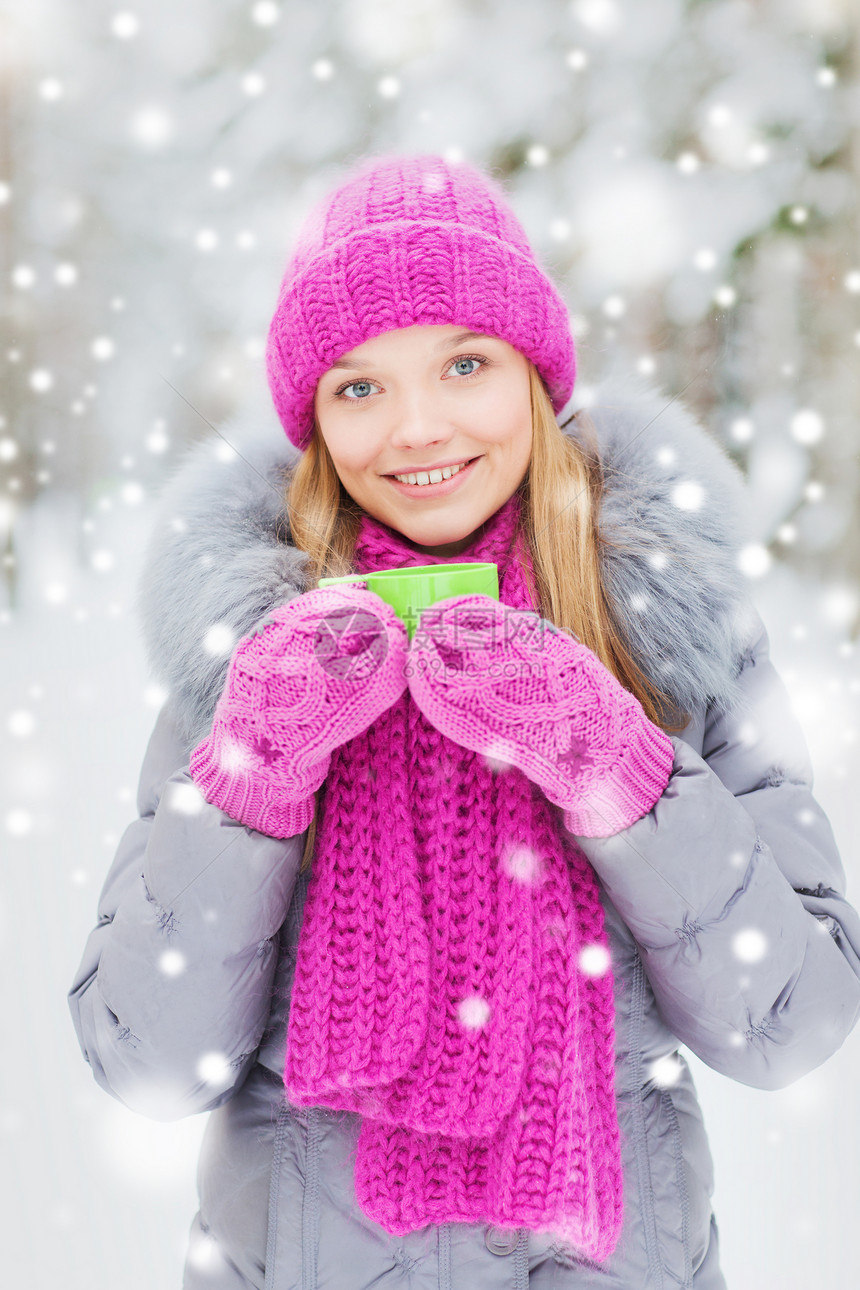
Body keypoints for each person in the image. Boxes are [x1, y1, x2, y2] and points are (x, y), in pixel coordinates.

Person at [67, 152, 860, 1290]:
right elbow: (145, 1060)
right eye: (358, 387)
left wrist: (618, 775)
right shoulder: (252, 652)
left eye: (464, 363)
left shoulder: (670, 630)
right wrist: (255, 777)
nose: (416, 428)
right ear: (314, 423)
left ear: (533, 375)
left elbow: (788, 1024)